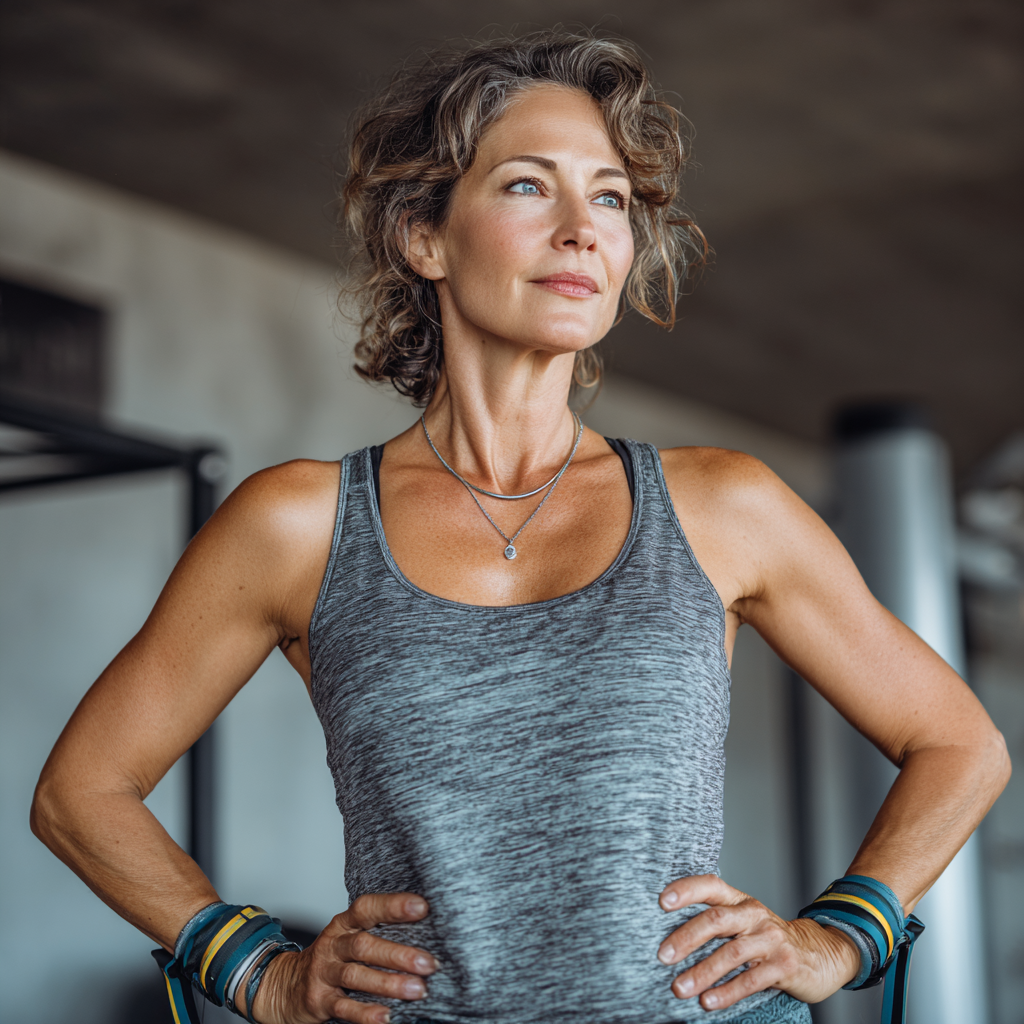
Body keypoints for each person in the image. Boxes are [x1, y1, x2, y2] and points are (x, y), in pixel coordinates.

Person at [31, 30, 1009, 1024]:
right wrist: (255, 968)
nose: (585, 227)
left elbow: (959, 744)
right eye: (529, 187)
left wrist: (842, 932)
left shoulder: (723, 504)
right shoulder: (300, 524)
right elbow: (83, 790)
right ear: (424, 235)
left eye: (612, 197)